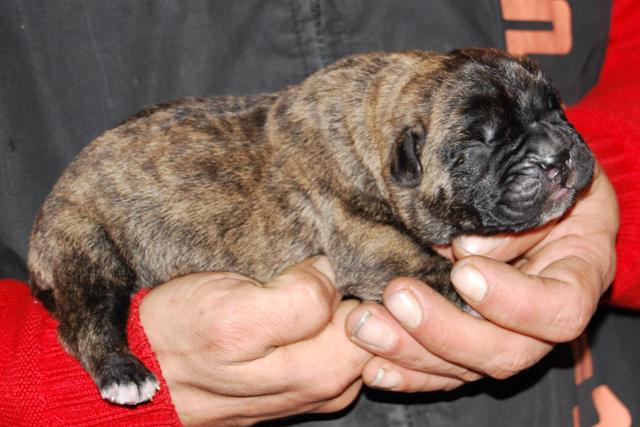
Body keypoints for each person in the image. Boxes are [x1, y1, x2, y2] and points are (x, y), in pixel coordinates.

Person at [1, 1, 638, 425]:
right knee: (92, 280)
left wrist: (614, 192)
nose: (553, 151)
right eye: (482, 145)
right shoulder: (336, 163)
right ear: (406, 161)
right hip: (90, 242)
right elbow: (372, 255)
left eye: (550, 111)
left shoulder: (384, 115)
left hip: (581, 395)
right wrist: (38, 384)